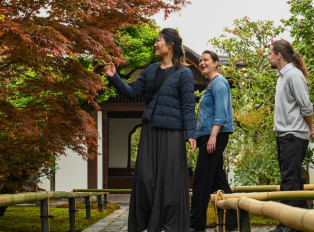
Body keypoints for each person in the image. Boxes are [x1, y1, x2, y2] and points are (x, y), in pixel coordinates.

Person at [102, 28, 197, 232]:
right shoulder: (151, 70)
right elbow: (133, 92)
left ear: (170, 44)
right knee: (145, 178)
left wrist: (191, 134)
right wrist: (114, 77)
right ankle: (146, 222)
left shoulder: (184, 73)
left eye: (158, 40)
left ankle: (170, 224)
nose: (155, 44)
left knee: (169, 180)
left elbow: (188, 106)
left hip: (172, 132)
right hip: (150, 129)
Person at [267, 39, 314, 232]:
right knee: (292, 178)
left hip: (294, 135)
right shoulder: (281, 77)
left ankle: (287, 225)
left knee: (289, 180)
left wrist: (311, 128)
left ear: (278, 55)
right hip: (285, 133)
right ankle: (304, 222)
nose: (268, 57)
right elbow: (289, 107)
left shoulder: (293, 76)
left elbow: (306, 107)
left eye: (270, 53)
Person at [190, 50, 238, 232]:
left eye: (206, 60)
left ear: (216, 63)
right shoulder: (211, 84)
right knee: (219, 180)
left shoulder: (219, 83)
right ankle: (234, 220)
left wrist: (212, 137)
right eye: (201, 60)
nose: (202, 62)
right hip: (208, 136)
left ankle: (196, 222)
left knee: (202, 179)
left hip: (214, 136)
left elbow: (221, 113)